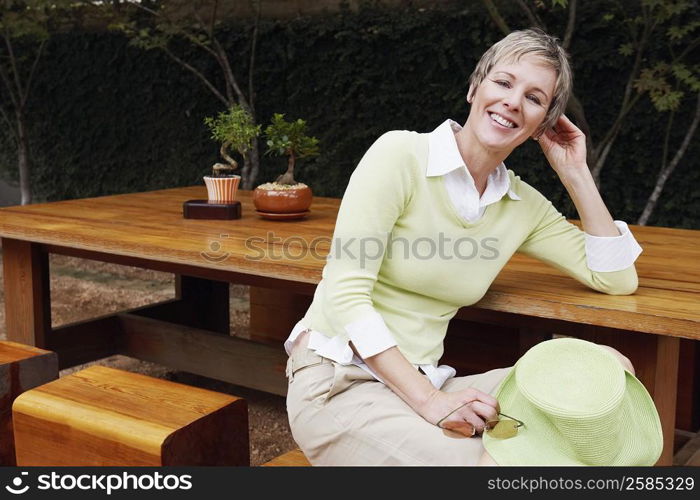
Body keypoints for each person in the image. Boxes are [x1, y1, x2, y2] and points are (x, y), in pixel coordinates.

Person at [284, 28, 646, 465]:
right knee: (493, 467)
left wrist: (575, 172)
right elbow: (346, 293)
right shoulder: (400, 155)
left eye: (534, 98)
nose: (513, 101)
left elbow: (615, 276)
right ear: (476, 87)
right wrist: (430, 404)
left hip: (429, 383)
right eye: (504, 82)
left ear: (542, 124)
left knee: (609, 368)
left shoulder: (521, 204)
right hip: (338, 380)